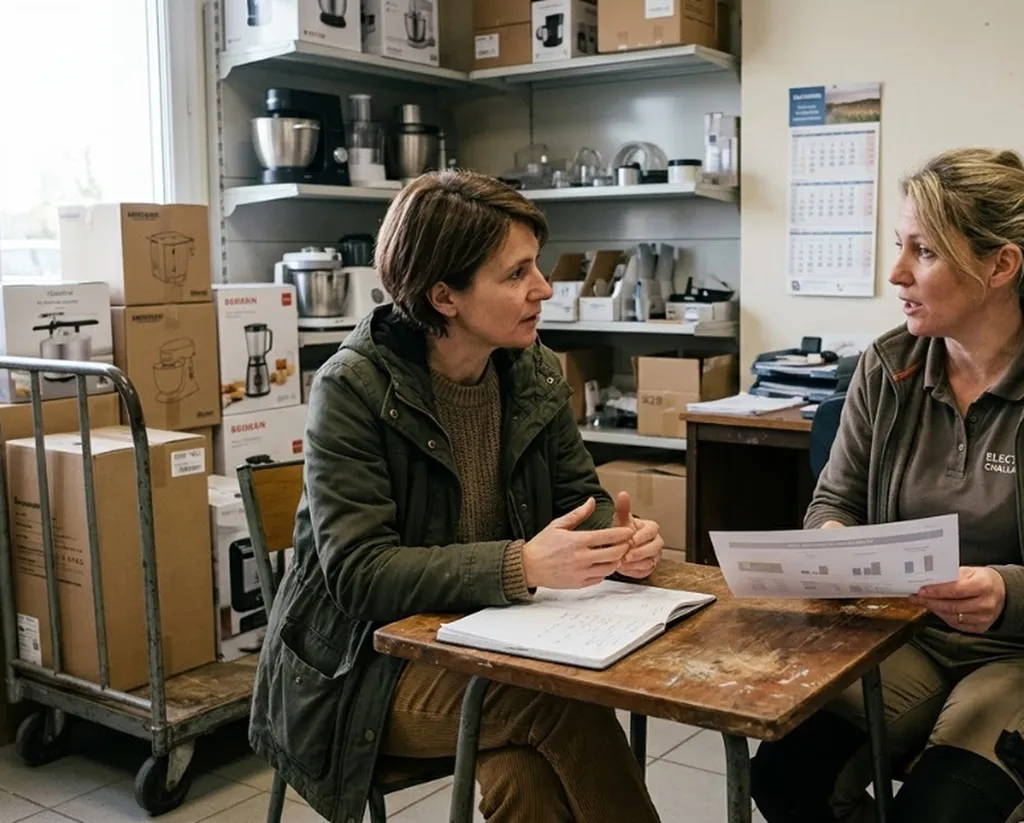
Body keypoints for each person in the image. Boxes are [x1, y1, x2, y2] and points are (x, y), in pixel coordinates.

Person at [248, 169, 666, 823]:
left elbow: (578, 504)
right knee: (555, 699)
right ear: (444, 295)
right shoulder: (352, 389)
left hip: (489, 642)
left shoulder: (529, 370)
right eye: (516, 273)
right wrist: (521, 565)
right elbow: (360, 575)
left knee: (525, 779)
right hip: (364, 670)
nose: (544, 288)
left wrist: (618, 545)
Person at [751, 147, 1024, 823]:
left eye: (923, 251)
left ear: (1001, 265)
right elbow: (835, 499)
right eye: (899, 245)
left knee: (944, 811)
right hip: (907, 635)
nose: (896, 272)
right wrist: (834, 544)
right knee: (783, 775)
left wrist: (1006, 592)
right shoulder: (888, 365)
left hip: (1017, 652)